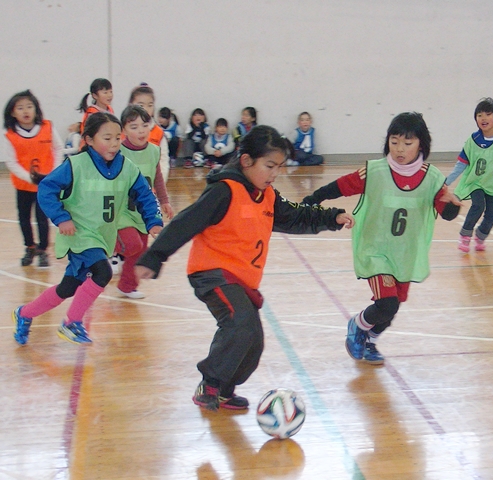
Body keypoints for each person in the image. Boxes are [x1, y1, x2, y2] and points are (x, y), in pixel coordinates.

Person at [135, 125, 354, 411]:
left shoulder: (268, 196)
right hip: (212, 272)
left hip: (241, 280)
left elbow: (296, 217)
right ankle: (210, 383)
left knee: (253, 341)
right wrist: (155, 256)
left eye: (279, 167)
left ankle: (224, 390)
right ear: (246, 161)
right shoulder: (224, 191)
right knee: (240, 323)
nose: (275, 174)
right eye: (269, 166)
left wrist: (330, 217)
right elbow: (185, 222)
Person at [302, 112, 462, 365]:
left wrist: (453, 205)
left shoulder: (431, 178)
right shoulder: (374, 171)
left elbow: (447, 213)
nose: (399, 149)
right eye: (394, 141)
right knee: (386, 304)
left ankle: (370, 341)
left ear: (422, 144)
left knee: (390, 310)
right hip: (375, 249)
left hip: (404, 254)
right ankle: (356, 325)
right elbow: (341, 186)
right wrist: (313, 199)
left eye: (407, 143)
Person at [11, 112, 163, 346]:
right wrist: (61, 218)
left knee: (67, 288)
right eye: (107, 138)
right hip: (78, 234)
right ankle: (72, 322)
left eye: (116, 138)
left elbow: (145, 194)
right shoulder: (76, 165)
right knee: (104, 273)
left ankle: (24, 314)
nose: (114, 144)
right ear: (89, 140)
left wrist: (153, 220)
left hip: (102, 236)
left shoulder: (127, 167)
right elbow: (46, 189)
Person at [115, 105, 174, 299]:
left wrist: (164, 201)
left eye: (144, 125)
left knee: (137, 252)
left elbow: (157, 177)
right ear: (123, 130)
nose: (140, 130)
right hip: (121, 210)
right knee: (133, 245)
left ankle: (126, 286)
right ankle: (105, 249)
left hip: (144, 211)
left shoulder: (153, 151)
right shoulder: (118, 152)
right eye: (133, 127)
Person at [3, 90, 64, 267]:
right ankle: (29, 247)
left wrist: (53, 173)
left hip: (46, 185)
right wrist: (30, 178)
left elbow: (59, 149)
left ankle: (43, 250)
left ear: (36, 109)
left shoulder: (47, 127)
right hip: (24, 185)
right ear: (13, 112)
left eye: (29, 106)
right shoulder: (10, 135)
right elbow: (11, 162)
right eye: (20, 108)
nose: (25, 111)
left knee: (42, 218)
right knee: (24, 218)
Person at [445, 98, 493, 252]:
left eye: (487, 114)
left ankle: (481, 235)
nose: (483, 118)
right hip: (475, 182)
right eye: (479, 115)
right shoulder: (473, 140)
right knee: (478, 205)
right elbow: (461, 164)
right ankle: (465, 235)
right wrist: (446, 182)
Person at [128, 84, 170, 182]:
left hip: (151, 186)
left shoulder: (158, 133)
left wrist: (160, 183)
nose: (146, 109)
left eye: (150, 105)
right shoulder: (123, 131)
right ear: (131, 105)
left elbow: (163, 161)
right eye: (141, 105)